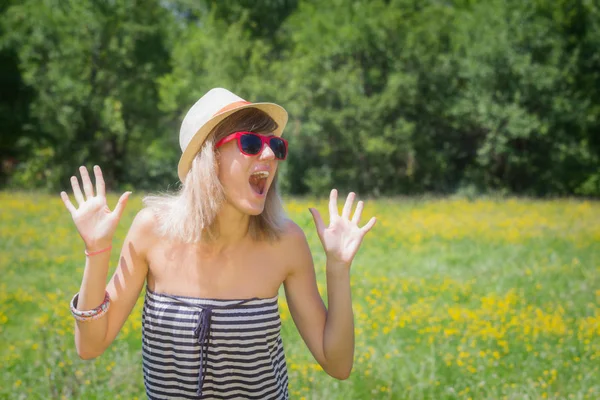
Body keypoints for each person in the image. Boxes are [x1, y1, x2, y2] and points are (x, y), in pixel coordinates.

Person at [60, 88, 377, 400]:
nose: (268, 155)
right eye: (250, 143)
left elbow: (338, 365)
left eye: (275, 145)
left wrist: (338, 267)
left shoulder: (286, 242)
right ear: (208, 157)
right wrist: (96, 249)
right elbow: (90, 346)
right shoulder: (152, 230)